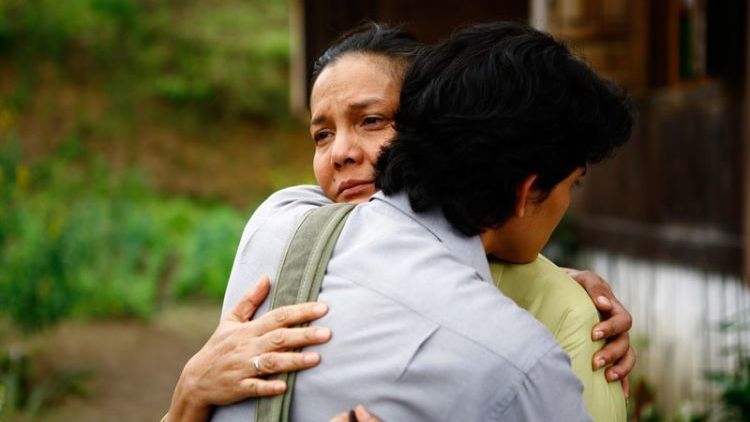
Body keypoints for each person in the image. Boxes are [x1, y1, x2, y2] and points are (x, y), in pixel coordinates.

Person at [166, 23, 635, 421]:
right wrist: (187, 396)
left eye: (371, 120)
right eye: (321, 134)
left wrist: (555, 285)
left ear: (425, 124)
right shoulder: (293, 219)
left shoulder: (278, 221)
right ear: (526, 191)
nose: (342, 153)